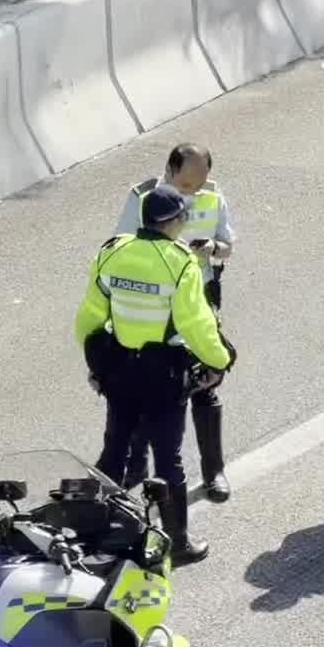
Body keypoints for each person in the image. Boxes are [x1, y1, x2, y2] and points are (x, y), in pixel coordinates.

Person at [75, 183, 236, 565]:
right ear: (173, 222)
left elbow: (89, 318)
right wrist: (219, 360)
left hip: (120, 372)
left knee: (114, 452)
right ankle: (178, 544)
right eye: (183, 215)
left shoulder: (112, 252)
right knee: (169, 461)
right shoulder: (180, 262)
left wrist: (95, 366)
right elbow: (195, 323)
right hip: (163, 375)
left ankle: (94, 535)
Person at [111, 143, 236, 503]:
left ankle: (213, 471)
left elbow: (229, 245)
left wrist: (213, 248)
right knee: (140, 385)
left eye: (198, 185)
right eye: (185, 187)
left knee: (206, 384)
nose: (192, 195)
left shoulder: (213, 196)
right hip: (152, 305)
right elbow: (121, 246)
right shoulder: (141, 197)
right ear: (168, 170)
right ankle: (136, 468)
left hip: (200, 300)